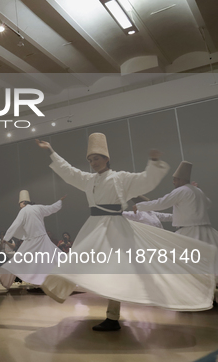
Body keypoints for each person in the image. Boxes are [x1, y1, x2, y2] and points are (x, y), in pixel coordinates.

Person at [36, 134, 216, 332]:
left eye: (96, 158)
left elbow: (145, 180)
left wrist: (154, 162)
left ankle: (112, 317)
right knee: (82, 259)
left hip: (114, 227)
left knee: (116, 270)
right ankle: (63, 287)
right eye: (90, 160)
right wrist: (52, 152)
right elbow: (69, 172)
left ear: (106, 158)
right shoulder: (88, 180)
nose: (93, 163)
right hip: (94, 227)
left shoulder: (120, 178)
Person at [134, 162, 218, 274]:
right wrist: (199, 191)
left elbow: (161, 203)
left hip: (190, 232)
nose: (173, 182)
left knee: (183, 261)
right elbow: (208, 204)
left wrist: (139, 206)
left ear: (180, 179)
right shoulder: (197, 191)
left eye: (175, 179)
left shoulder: (181, 191)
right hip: (207, 232)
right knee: (210, 260)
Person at [0, 190, 65, 289]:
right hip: (42, 239)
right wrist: (59, 201)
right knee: (50, 259)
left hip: (32, 240)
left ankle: (7, 280)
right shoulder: (38, 207)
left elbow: (15, 225)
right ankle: (54, 278)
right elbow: (51, 208)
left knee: (19, 260)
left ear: (23, 202)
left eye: (20, 203)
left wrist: (6, 237)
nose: (19, 205)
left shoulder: (24, 211)